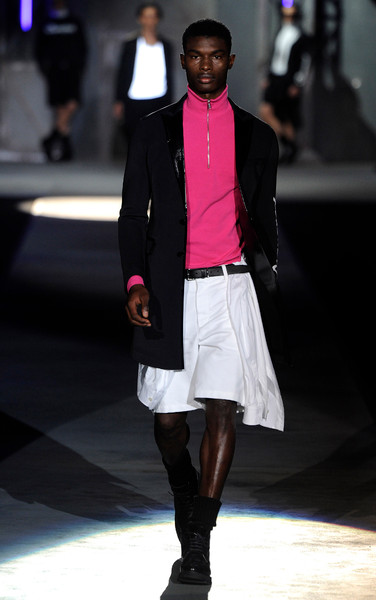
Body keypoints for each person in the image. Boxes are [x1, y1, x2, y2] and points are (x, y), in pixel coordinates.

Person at [118, 19, 285, 586]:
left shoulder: (258, 136)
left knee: (221, 408)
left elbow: (264, 215)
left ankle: (198, 543)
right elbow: (131, 214)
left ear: (230, 61)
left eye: (215, 57)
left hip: (230, 287)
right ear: (183, 60)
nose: (206, 66)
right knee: (169, 421)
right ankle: (183, 488)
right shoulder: (153, 131)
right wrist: (135, 280)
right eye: (195, 56)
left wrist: (266, 277)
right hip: (170, 288)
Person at [113, 2, 174, 142]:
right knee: (135, 140)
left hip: (159, 100)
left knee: (157, 140)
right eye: (146, 16)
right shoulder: (130, 45)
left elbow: (169, 76)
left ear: (158, 19)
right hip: (134, 100)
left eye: (153, 16)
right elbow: (122, 73)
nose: (149, 20)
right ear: (140, 19)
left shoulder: (166, 46)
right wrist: (118, 100)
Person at [35, 0, 87, 161]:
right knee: (59, 107)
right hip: (54, 72)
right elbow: (39, 48)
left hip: (72, 71)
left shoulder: (74, 22)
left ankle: (50, 139)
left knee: (71, 104)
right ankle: (65, 148)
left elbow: (83, 47)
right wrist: (45, 68)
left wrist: (79, 66)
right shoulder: (46, 22)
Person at [259, 1, 309, 164]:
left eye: (291, 15)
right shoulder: (280, 32)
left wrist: (298, 83)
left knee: (286, 115)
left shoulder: (300, 36)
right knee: (266, 110)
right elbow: (275, 57)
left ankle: (290, 149)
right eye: (285, 15)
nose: (288, 18)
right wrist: (268, 77)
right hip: (276, 77)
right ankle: (289, 144)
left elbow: (304, 63)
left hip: (288, 80)